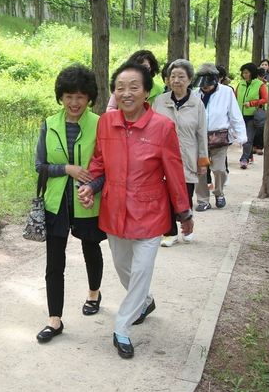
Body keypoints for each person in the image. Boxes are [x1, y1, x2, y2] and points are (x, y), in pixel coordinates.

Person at [78, 62, 193, 359]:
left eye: (133, 87)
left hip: (150, 212)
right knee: (123, 268)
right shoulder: (107, 122)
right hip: (115, 209)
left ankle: (121, 327)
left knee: (141, 270)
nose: (126, 93)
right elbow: (99, 162)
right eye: (120, 88)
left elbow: (174, 171)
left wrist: (184, 212)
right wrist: (91, 187)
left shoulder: (163, 126)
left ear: (146, 93)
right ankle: (145, 301)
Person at [34, 65, 107, 343]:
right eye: (68, 96)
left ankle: (93, 292)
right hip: (56, 203)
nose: (74, 103)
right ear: (60, 97)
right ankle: (54, 319)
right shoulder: (49, 124)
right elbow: (40, 166)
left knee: (91, 248)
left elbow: (106, 167)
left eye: (80, 96)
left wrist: (91, 184)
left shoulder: (100, 124)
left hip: (88, 200)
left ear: (89, 97)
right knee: (55, 261)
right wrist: (66, 169)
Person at [152, 59, 208, 247]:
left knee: (185, 194)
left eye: (181, 77)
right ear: (167, 80)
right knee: (165, 195)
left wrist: (202, 162)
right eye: (173, 76)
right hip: (163, 159)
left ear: (190, 79)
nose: (176, 80)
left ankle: (187, 225)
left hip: (188, 157)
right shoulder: (160, 101)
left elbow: (202, 134)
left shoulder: (197, 103)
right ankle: (170, 232)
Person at [192, 63, 248, 211]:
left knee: (219, 169)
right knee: (201, 170)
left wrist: (241, 135)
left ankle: (219, 193)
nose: (205, 87)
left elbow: (235, 115)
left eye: (208, 84)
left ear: (216, 80)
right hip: (199, 139)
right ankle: (203, 200)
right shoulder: (194, 93)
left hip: (219, 138)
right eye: (203, 84)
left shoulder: (226, 92)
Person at [235, 62, 268, 169]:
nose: (244, 75)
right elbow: (234, 98)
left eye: (246, 72)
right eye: (243, 73)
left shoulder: (260, 84)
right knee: (243, 137)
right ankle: (249, 155)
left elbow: (266, 99)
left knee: (248, 138)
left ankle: (244, 159)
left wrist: (252, 103)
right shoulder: (240, 84)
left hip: (253, 116)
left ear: (252, 73)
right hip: (240, 115)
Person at [251, 67, 269, 156]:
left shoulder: (263, 85)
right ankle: (254, 146)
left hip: (260, 109)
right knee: (253, 129)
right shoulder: (253, 84)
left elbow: (265, 99)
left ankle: (259, 146)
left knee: (260, 128)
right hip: (251, 109)